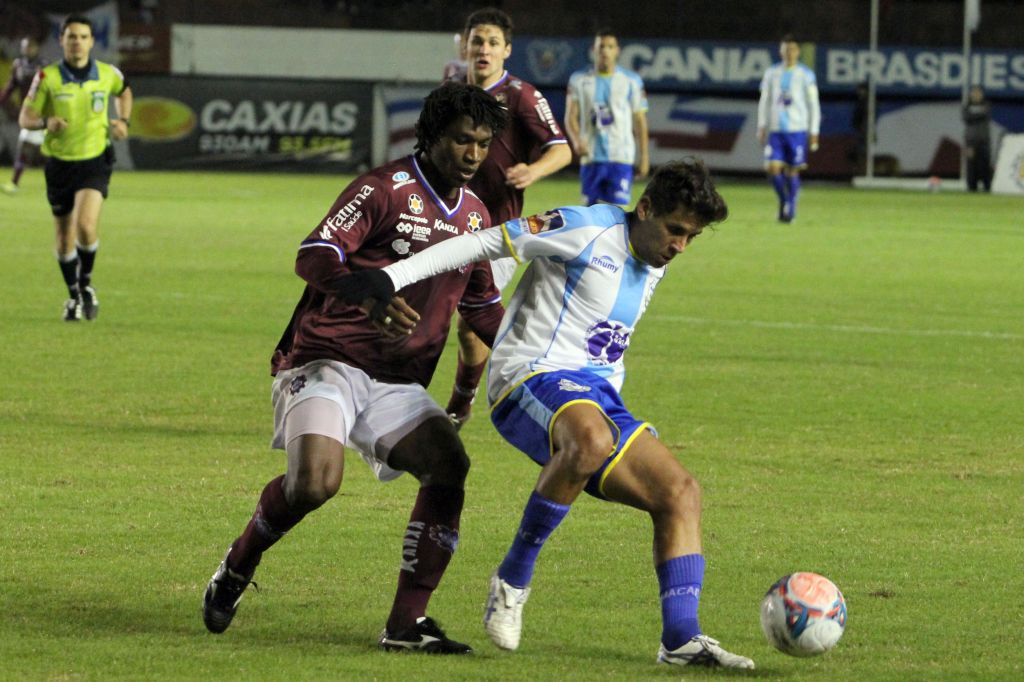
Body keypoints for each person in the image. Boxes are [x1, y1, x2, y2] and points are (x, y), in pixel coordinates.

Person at [344, 158, 755, 670]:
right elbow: (481, 243)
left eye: (691, 237)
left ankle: (681, 639)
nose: (681, 246)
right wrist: (390, 277)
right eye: (675, 230)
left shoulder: (654, 257)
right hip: (529, 376)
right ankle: (512, 580)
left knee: (681, 493)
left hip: (596, 396)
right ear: (645, 208)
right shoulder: (583, 227)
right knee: (590, 440)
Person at [201, 82, 509, 655]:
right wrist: (366, 295)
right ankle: (239, 563)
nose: (473, 154)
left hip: (398, 381)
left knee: (448, 466)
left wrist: (537, 358)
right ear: (431, 136)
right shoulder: (383, 188)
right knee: (315, 484)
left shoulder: (476, 216)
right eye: (461, 140)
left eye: (483, 143)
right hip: (328, 360)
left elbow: (483, 307)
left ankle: (405, 626)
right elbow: (314, 254)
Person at [444, 7, 572, 429]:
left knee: (469, 326)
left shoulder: (521, 95)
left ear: (507, 51)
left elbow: (561, 149)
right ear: (465, 46)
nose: (484, 49)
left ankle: (463, 400)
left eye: (493, 42)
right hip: (444, 224)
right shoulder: (449, 91)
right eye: (477, 41)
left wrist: (533, 171)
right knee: (417, 313)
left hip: (496, 232)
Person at [18, 15, 132, 321]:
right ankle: (74, 295)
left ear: (92, 41)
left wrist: (123, 121)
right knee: (63, 239)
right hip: (59, 164)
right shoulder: (47, 77)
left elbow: (124, 91)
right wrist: (46, 122)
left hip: (95, 160)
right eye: (71, 37)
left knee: (86, 226)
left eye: (83, 37)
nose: (77, 42)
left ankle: (85, 285)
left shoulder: (107, 74)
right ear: (62, 41)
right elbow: (25, 118)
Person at [565, 28, 650, 206]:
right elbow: (570, 117)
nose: (605, 51)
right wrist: (577, 141)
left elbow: (640, 120)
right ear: (593, 50)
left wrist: (644, 157)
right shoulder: (578, 80)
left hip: (621, 156)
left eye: (610, 47)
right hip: (591, 157)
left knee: (617, 212)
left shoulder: (632, 81)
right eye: (601, 46)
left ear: (617, 51)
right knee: (590, 213)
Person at [757, 34, 820, 223]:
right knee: (773, 169)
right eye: (786, 50)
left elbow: (813, 104)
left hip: (797, 130)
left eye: (792, 49)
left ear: (798, 51)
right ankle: (785, 201)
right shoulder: (771, 73)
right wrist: (762, 125)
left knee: (793, 170)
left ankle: (790, 209)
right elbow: (764, 101)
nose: (789, 53)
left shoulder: (806, 75)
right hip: (776, 130)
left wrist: (814, 131)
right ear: (780, 51)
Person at [0, 36, 45, 195]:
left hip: (44, 113)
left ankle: (15, 183)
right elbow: (11, 85)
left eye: (30, 46)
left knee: (45, 150)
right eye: (24, 47)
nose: (27, 49)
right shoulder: (18, 65)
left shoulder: (44, 66)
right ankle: (14, 183)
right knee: (26, 147)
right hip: (28, 113)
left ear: (36, 48)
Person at [962, 85, 992, 192]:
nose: (976, 95)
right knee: (971, 165)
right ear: (970, 94)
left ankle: (987, 187)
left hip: (984, 140)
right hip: (970, 141)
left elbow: (984, 114)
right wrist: (979, 114)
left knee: (985, 164)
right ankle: (971, 188)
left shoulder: (986, 104)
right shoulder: (966, 106)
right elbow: (966, 117)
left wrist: (973, 115)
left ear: (982, 94)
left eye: (978, 93)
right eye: (974, 93)